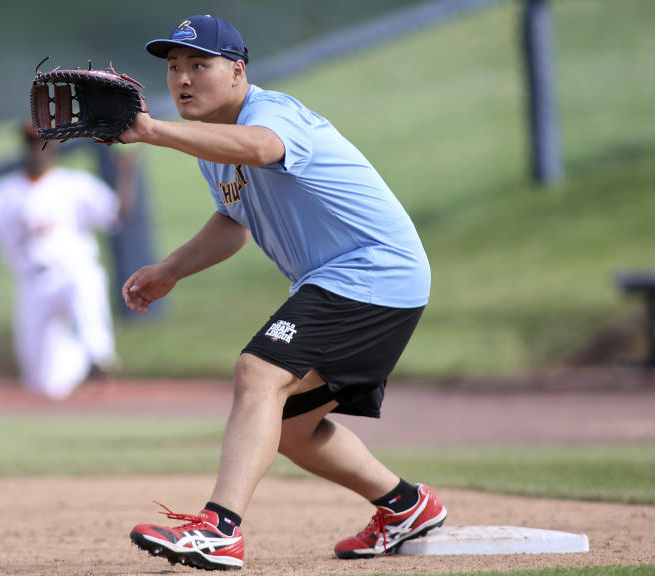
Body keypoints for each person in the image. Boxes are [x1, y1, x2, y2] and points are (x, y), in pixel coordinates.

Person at [120, 15, 447, 570]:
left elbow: (263, 148)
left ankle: (219, 530)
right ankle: (405, 507)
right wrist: (171, 270)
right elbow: (233, 221)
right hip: (358, 281)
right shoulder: (211, 143)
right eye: (174, 67)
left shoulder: (271, 114)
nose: (182, 79)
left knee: (259, 373)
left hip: (371, 270)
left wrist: (152, 132)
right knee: (290, 427)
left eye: (199, 65)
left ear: (238, 70)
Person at [0, 122, 136, 400]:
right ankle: (82, 359)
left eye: (44, 142)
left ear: (56, 146)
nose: (38, 149)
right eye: (32, 143)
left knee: (86, 283)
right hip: (33, 284)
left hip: (74, 270)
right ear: (23, 147)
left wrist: (127, 167)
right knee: (43, 384)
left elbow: (117, 213)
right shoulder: (4, 191)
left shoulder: (75, 184)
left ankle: (100, 356)